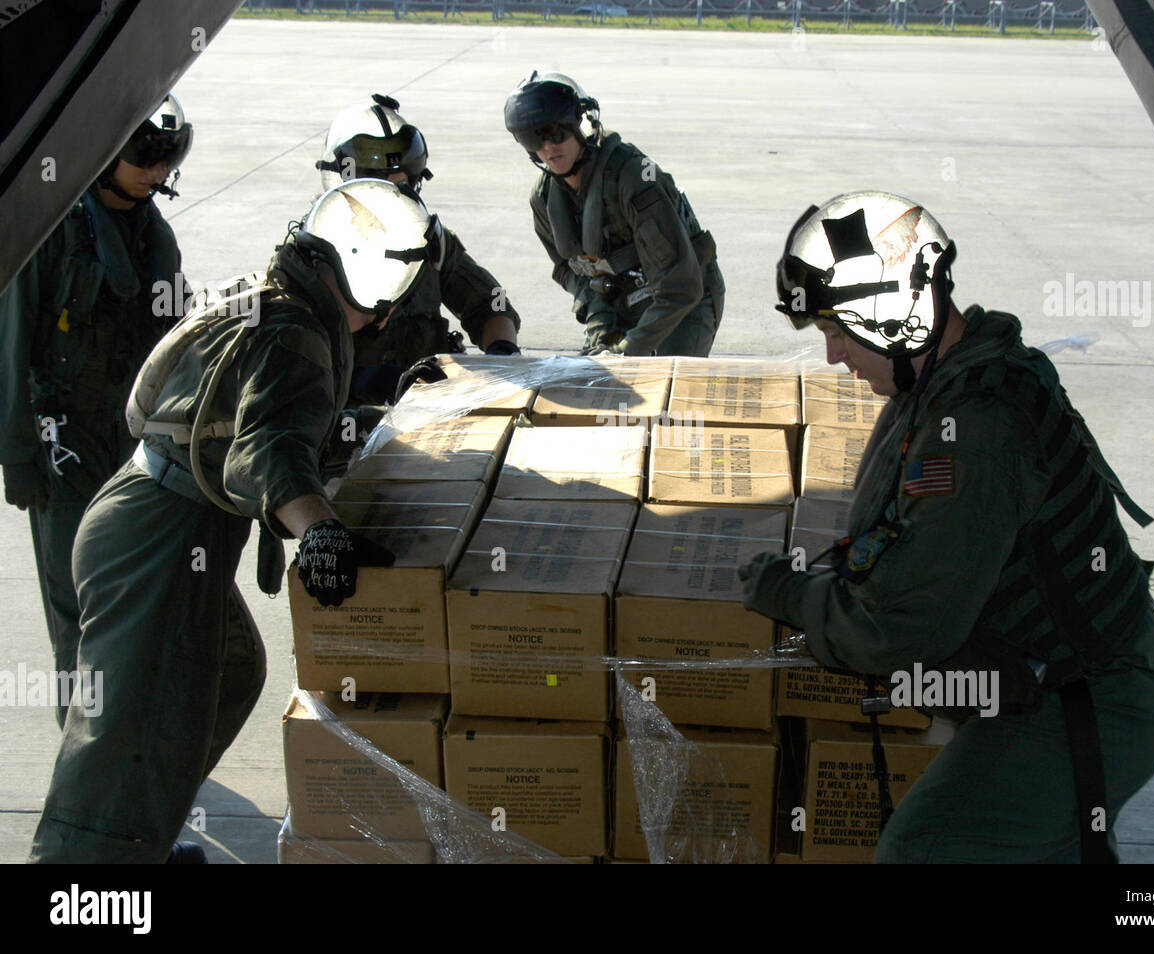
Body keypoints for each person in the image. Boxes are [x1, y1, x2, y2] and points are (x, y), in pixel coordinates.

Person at [739, 191, 1154, 863]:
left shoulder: (972, 429)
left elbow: (906, 626)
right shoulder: (946, 384)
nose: (832, 357)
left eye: (837, 331)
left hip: (1087, 699)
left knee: (923, 852)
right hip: (1064, 676)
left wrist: (790, 595)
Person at [28, 178, 423, 864]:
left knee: (227, 674)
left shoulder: (274, 292)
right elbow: (264, 448)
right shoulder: (295, 330)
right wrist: (319, 532)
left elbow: (242, 418)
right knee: (125, 734)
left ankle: (140, 835)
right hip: (158, 535)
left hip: (155, 519)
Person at [0, 94, 192, 726]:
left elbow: (176, 340)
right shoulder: (51, 229)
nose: (155, 171)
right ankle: (82, 748)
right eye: (143, 156)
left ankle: (125, 731)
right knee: (75, 602)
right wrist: (18, 455)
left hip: (134, 444)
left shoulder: (152, 235)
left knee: (137, 596)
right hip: (63, 445)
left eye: (168, 157)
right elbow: (11, 349)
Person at [317, 93, 521, 405]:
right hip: (344, 420)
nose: (393, 202)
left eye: (402, 188)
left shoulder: (429, 242)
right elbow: (288, 361)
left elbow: (491, 303)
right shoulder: (314, 255)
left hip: (427, 407)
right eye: (378, 189)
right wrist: (362, 381)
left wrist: (502, 353)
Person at [504, 71, 724, 357]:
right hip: (622, 301)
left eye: (556, 131)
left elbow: (681, 287)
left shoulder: (633, 178)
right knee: (593, 383)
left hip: (684, 299)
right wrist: (600, 327)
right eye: (533, 138)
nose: (547, 147)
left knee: (665, 387)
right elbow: (570, 271)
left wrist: (626, 354)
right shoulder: (544, 199)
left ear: (582, 124)